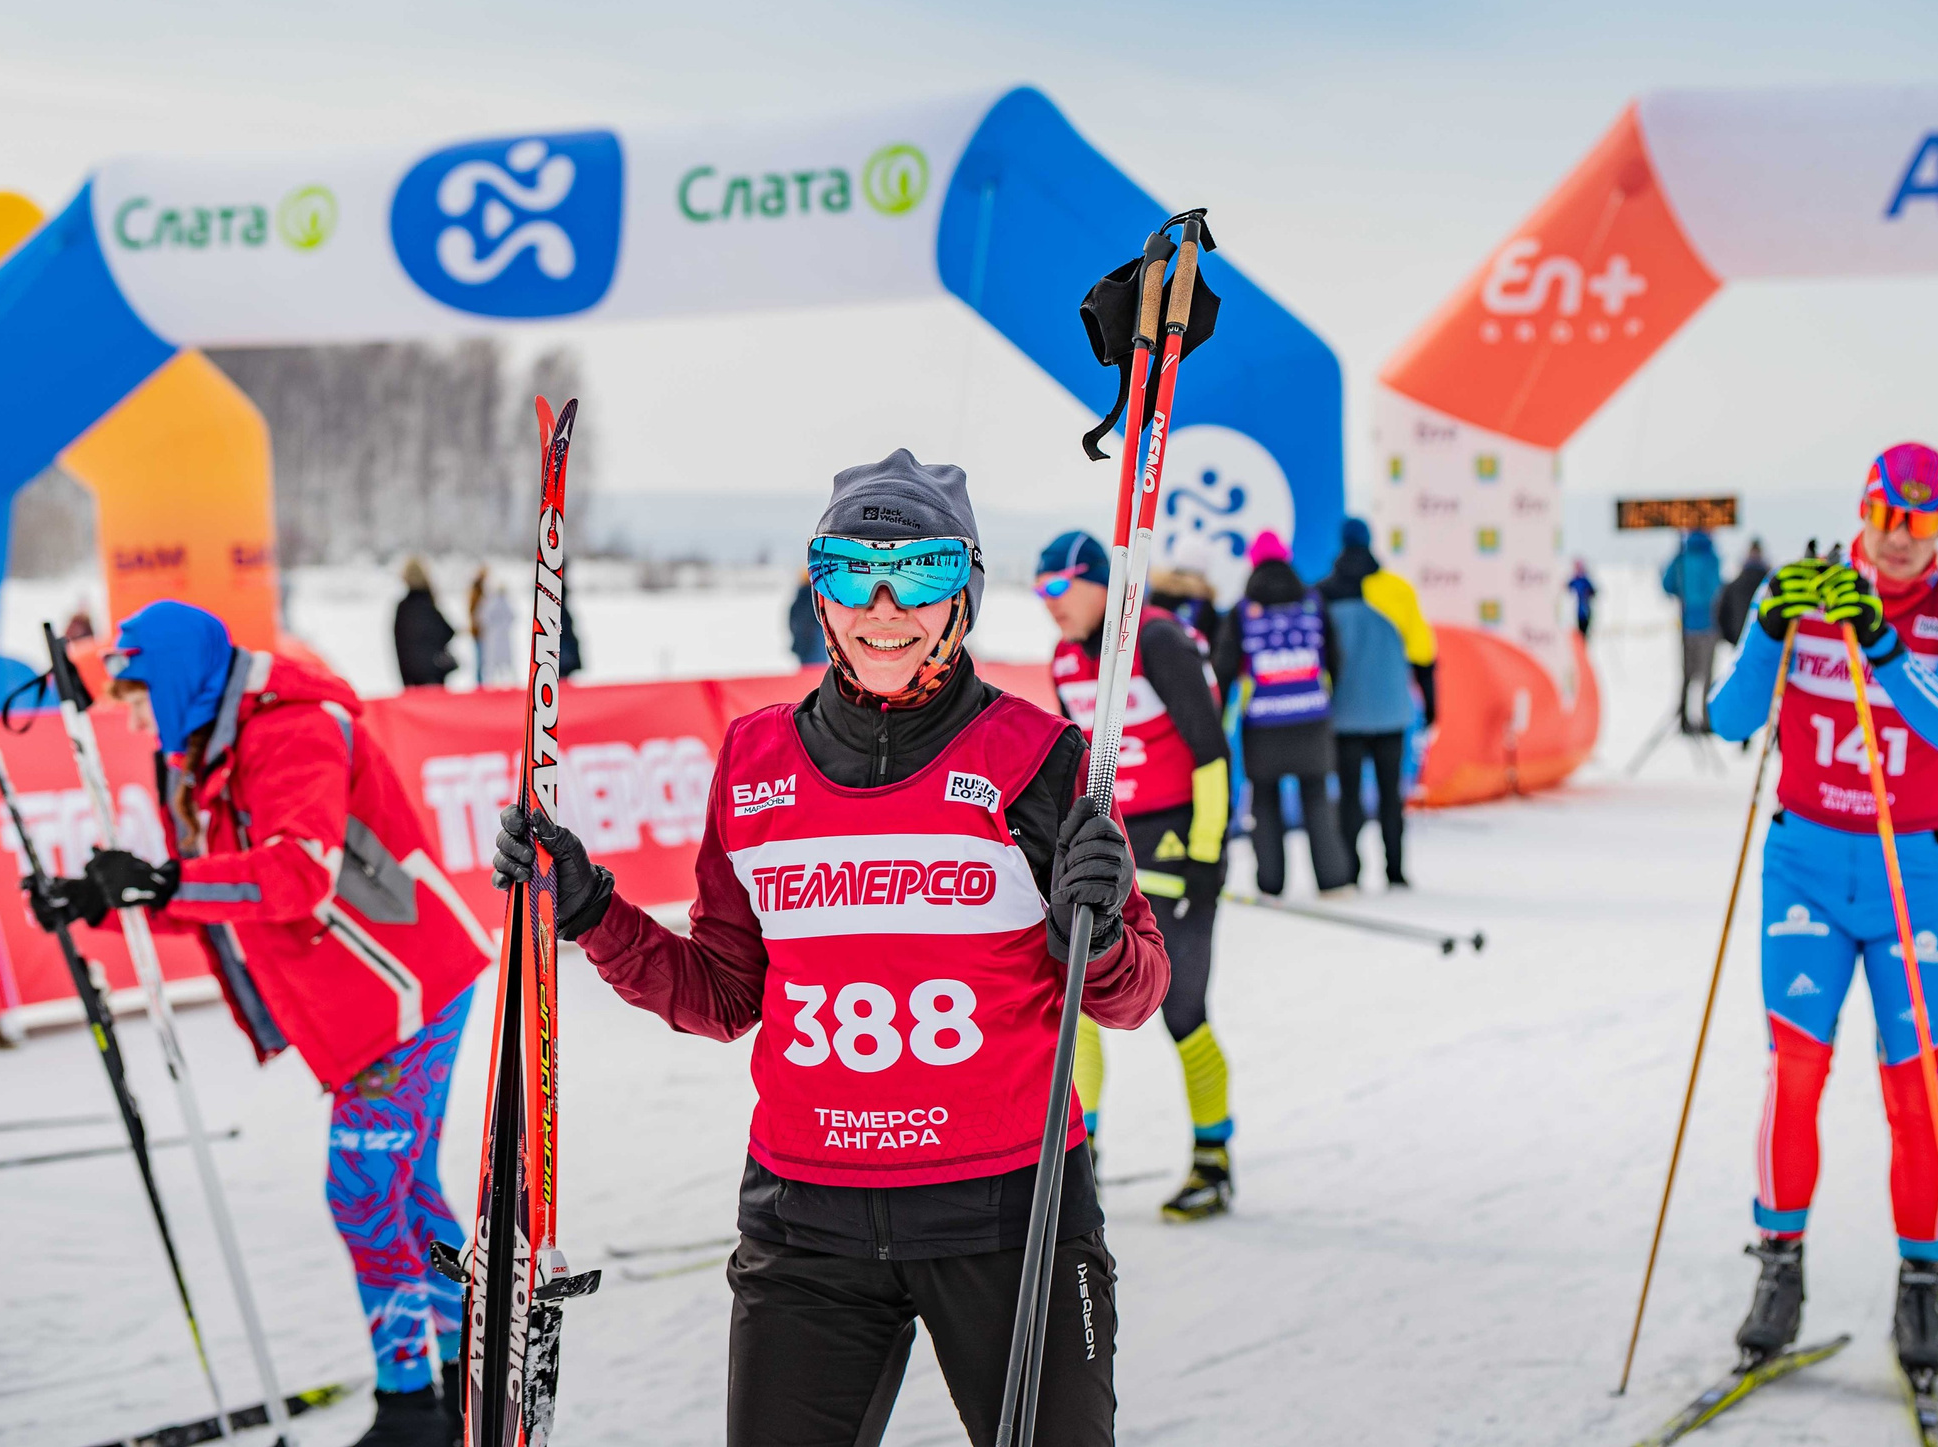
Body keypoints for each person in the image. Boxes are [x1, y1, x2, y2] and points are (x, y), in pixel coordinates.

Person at [491, 450, 1169, 1447]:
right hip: (807, 1225)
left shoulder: (1037, 756)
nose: (883, 605)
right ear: (819, 591)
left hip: (1007, 1218)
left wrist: (1101, 927)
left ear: (965, 592)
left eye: (922, 572)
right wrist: (591, 907)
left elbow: (1131, 991)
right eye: (852, 571)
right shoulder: (756, 760)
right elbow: (722, 991)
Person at [32, 600, 493, 1447]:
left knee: (361, 1192)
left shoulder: (293, 729)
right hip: (360, 998)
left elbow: (295, 876)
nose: (133, 716)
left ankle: (412, 1403)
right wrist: (100, 898)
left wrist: (162, 881)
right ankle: (473, 1360)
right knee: (402, 1187)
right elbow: (220, 889)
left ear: (175, 679)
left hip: (405, 986)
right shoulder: (208, 750)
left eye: (137, 695)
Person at [1705, 444, 1938, 1386]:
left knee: (1913, 1092)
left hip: (1912, 877)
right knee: (1795, 1072)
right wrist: (1764, 626)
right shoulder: (1810, 597)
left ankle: (1921, 1279)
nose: (1900, 539)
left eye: (1923, 523)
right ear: (1864, 505)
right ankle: (1779, 1270)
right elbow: (1727, 720)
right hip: (1806, 867)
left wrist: (1878, 640)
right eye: (1887, 514)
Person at [1034, 530, 1237, 1221]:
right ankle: (1079, 1156)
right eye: (1039, 594)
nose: (1050, 606)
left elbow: (1211, 752)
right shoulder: (1064, 658)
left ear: (1097, 581)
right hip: (1113, 849)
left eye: (1058, 589)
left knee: (1181, 1012)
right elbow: (1070, 766)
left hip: (1180, 847)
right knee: (1078, 1007)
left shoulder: (1156, 641)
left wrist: (1208, 855)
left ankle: (1213, 1158)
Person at [1213, 530, 1354, 897]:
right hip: (1311, 716)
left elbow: (1225, 667)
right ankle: (1334, 881)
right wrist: (1325, 697)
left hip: (1262, 722)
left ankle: (1271, 883)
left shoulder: (1243, 610)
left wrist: (1217, 712)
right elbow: (1334, 657)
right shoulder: (1312, 601)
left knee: (1265, 801)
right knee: (1317, 797)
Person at [1317, 518, 1437, 890]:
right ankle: (1395, 870)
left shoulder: (1322, 592)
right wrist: (1433, 707)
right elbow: (1424, 653)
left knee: (1349, 797)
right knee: (1390, 796)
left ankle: (1350, 871)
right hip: (1391, 713)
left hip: (1344, 715)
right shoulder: (1398, 591)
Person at [1662, 528, 1723, 733]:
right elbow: (1717, 588)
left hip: (1687, 626)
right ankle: (1706, 721)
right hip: (1709, 625)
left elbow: (1667, 584)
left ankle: (1684, 719)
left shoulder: (1682, 558)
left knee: (1687, 675)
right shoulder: (1711, 558)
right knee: (1707, 675)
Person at [392, 558, 455, 688]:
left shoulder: (404, 608)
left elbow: (399, 646)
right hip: (433, 674)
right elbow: (448, 631)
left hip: (412, 677)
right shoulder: (428, 604)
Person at [1716, 537, 1770, 649]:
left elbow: (1720, 614)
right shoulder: (1770, 586)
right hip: (1763, 643)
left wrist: (1731, 638)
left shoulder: (1733, 585)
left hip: (1739, 641)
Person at [786, 579, 828, 665]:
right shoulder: (816, 599)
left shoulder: (799, 600)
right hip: (814, 639)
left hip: (804, 641)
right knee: (817, 668)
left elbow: (792, 622)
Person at [1566, 559, 1597, 641]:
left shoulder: (1585, 580)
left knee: (1584, 634)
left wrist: (1588, 594)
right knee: (1579, 634)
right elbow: (1567, 587)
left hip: (1585, 611)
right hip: (1577, 611)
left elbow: (1594, 592)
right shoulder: (1575, 580)